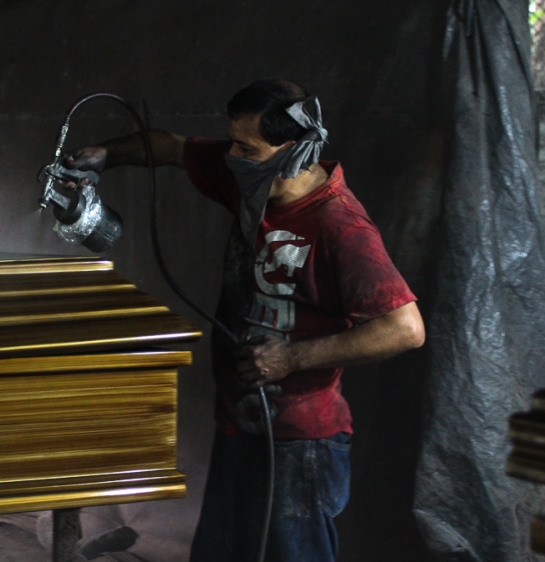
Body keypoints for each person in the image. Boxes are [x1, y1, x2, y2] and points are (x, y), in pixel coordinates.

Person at [60, 79, 425, 562]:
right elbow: (169, 146)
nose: (231, 155)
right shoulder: (249, 174)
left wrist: (292, 357)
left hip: (302, 439)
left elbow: (405, 328)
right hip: (242, 422)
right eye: (232, 141)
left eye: (245, 148)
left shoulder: (339, 225)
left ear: (292, 153)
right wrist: (105, 154)